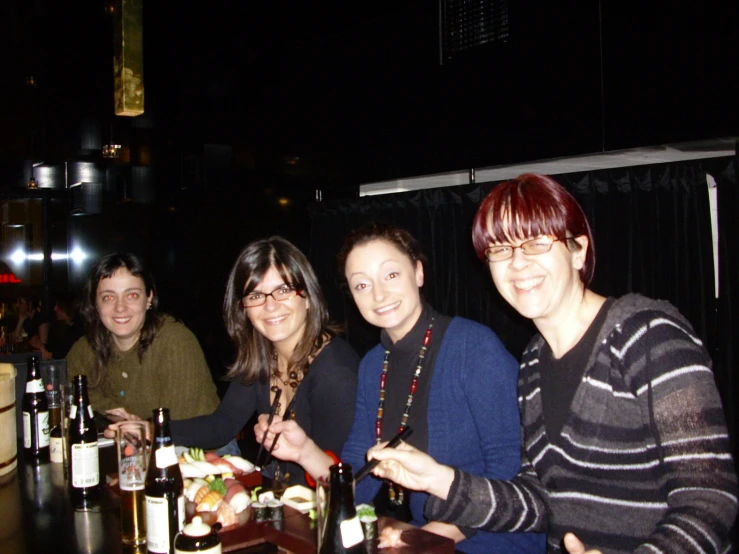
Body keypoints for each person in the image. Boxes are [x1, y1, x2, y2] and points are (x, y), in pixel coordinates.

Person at [366, 173, 738, 554]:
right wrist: (440, 479)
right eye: (500, 249)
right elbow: (541, 500)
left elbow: (710, 497)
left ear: (578, 250)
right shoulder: (531, 363)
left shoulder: (648, 336)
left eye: (536, 242)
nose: (518, 263)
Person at [256, 224, 545, 553]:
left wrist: (423, 538)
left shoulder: (473, 348)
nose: (378, 295)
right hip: (428, 536)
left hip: (494, 539)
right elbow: (358, 486)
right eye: (361, 284)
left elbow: (511, 471)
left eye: (391, 275)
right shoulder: (373, 366)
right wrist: (303, 451)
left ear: (418, 273)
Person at [165, 236, 360, 485]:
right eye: (256, 295)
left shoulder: (335, 374)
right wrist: (153, 431)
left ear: (308, 297)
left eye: (283, 290)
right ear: (243, 308)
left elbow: (347, 482)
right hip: (277, 493)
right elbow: (223, 424)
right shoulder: (263, 355)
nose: (270, 306)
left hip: (320, 508)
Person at [66, 253, 221, 424]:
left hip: (200, 448)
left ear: (149, 298)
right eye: (108, 297)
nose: (120, 308)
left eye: (132, 295)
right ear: (95, 304)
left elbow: (183, 427)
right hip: (135, 446)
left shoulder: (175, 342)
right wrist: (113, 413)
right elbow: (70, 393)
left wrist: (135, 427)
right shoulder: (86, 348)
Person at [39, 292, 85, 360]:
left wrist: (50, 355)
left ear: (66, 308)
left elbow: (71, 355)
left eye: (58, 306)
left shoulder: (79, 330)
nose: (55, 309)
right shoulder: (62, 327)